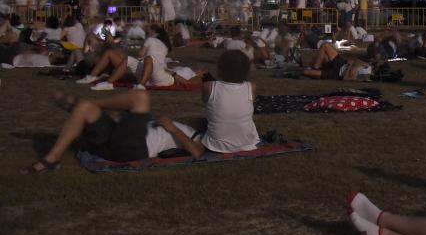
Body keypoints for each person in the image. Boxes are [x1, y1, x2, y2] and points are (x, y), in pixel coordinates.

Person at [22, 90, 203, 173]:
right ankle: (51, 160)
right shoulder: (185, 127)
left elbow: (197, 152)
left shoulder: (195, 134)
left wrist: (172, 128)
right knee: (85, 108)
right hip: (112, 144)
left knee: (140, 96)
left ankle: (88, 103)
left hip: (134, 149)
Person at [200, 50, 260, 153]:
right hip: (246, 142)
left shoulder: (209, 87)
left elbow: (206, 103)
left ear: (220, 68)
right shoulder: (251, 87)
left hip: (216, 144)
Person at [302, 41, 370, 81]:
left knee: (305, 72)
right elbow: (354, 60)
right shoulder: (367, 66)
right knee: (325, 45)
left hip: (336, 74)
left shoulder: (364, 76)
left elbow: (345, 80)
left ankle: (316, 68)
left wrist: (349, 66)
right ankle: (316, 67)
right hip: (341, 63)